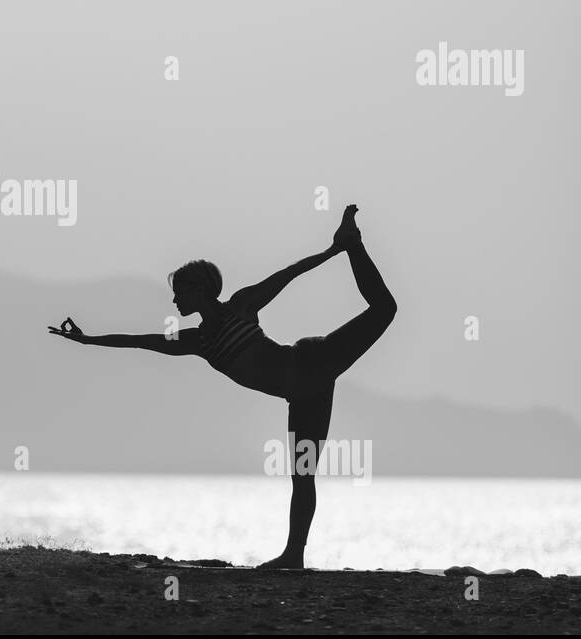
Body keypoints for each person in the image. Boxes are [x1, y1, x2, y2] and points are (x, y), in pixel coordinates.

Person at [49, 205, 396, 568]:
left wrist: (331, 252)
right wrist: (87, 340)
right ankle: (294, 556)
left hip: (314, 359)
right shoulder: (199, 341)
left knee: (385, 309)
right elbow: (140, 340)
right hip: (306, 394)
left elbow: (287, 274)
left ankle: (352, 244)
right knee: (303, 475)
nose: (174, 300)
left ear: (200, 291)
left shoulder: (241, 305)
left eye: (179, 292)